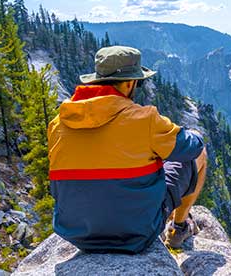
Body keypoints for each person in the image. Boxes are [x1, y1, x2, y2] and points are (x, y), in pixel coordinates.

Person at [47, 45, 206, 253]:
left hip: (77, 234)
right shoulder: (144, 119)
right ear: (130, 83)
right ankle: (179, 228)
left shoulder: (58, 124)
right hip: (137, 233)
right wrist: (175, 134)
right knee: (199, 153)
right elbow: (192, 148)